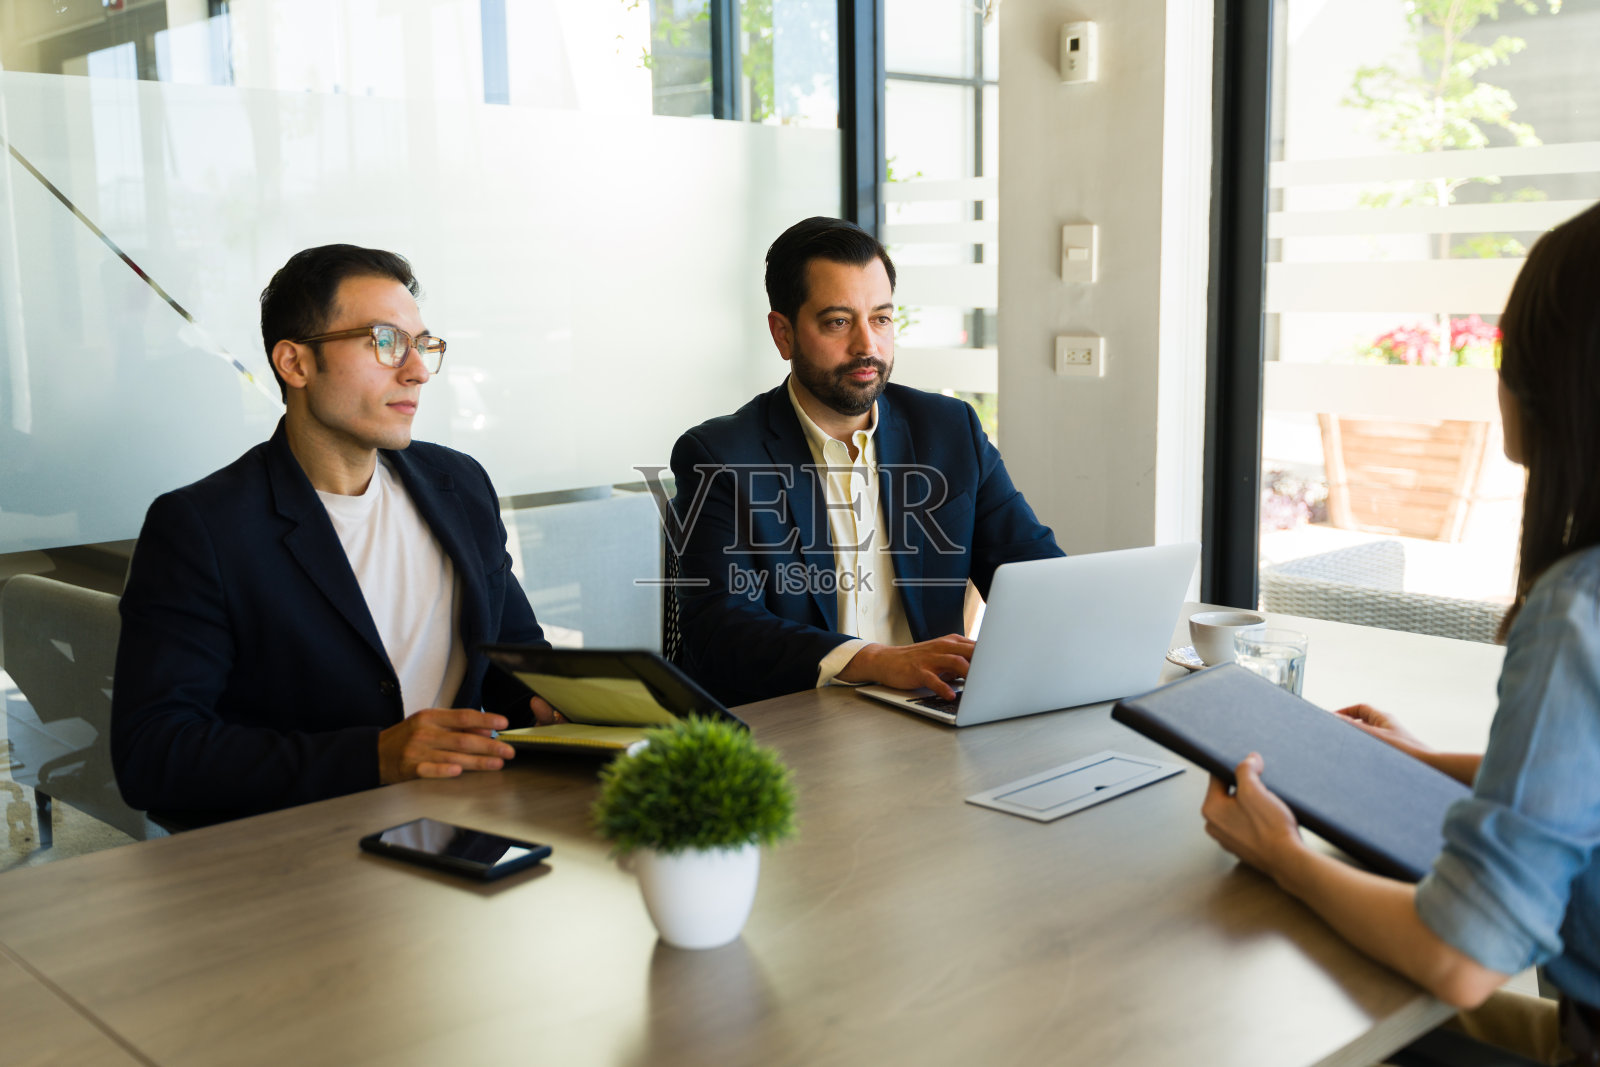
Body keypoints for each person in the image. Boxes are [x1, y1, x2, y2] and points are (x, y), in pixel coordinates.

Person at [1200, 202, 1600, 1065]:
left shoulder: (1579, 609)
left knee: (1263, 1007)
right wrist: (1421, 762)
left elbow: (1462, 955)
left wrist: (1283, 855)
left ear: (1556, 381)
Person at [112, 245, 556, 827]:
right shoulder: (203, 527)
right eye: (385, 341)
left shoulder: (459, 484)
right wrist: (375, 757)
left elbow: (512, 659)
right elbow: (152, 754)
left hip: (461, 827)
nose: (417, 370)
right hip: (295, 848)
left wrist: (555, 705)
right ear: (295, 364)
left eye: (422, 345)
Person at [668, 216, 1062, 707]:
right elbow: (718, 628)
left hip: (929, 712)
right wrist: (875, 661)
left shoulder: (949, 429)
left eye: (880, 319)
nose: (867, 347)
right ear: (783, 334)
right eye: (838, 322)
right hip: (793, 720)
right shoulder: (720, 455)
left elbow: (1035, 575)